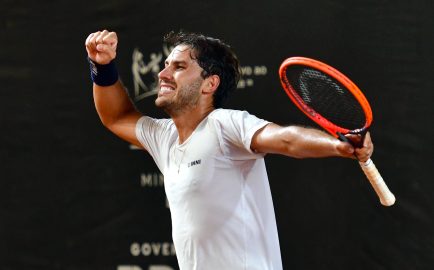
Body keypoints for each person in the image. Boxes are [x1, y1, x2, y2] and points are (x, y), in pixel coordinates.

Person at [84, 29, 373, 270]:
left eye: (179, 66)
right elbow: (116, 117)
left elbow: (286, 139)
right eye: (167, 64)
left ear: (209, 84)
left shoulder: (225, 124)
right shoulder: (163, 137)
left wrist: (338, 145)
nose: (163, 73)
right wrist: (103, 66)